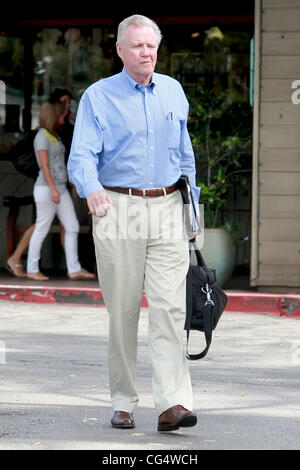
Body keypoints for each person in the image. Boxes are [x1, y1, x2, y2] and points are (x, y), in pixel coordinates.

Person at [67, 14, 200, 431]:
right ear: (121, 50)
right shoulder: (98, 96)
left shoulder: (174, 93)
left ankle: (173, 403)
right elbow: (81, 156)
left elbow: (185, 158)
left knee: (169, 308)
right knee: (123, 311)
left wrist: (192, 211)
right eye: (138, 45)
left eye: (152, 46)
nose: (146, 52)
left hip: (167, 208)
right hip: (117, 207)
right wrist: (91, 188)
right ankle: (123, 400)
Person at [26, 100, 95, 281]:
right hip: (47, 188)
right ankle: (32, 268)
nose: (65, 116)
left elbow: (57, 164)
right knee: (42, 227)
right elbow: (45, 166)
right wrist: (52, 189)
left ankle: (74, 269)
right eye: (62, 113)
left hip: (60, 187)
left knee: (71, 225)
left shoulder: (53, 135)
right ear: (53, 115)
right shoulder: (41, 135)